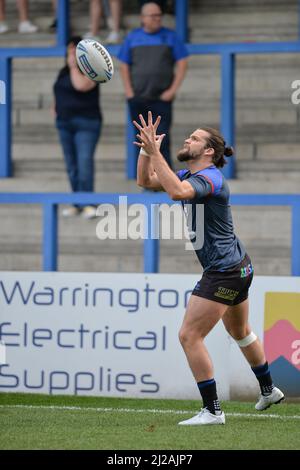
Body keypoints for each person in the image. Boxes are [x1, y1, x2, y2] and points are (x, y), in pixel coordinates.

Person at [134, 111, 285, 425]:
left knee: (189, 335)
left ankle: (213, 410)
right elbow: (146, 181)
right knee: (241, 332)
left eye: (195, 138)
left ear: (208, 152)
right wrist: (146, 152)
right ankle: (269, 389)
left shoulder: (212, 178)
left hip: (224, 271)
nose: (187, 139)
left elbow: (176, 192)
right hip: (240, 266)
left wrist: (156, 152)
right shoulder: (190, 176)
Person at [118, 1, 188, 169]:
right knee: (142, 142)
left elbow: (183, 63)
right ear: (143, 18)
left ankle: (164, 182)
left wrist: (172, 90)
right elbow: (123, 64)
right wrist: (129, 91)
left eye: (159, 15)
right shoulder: (133, 37)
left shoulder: (170, 37)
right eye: (153, 15)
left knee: (162, 141)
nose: (157, 19)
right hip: (138, 98)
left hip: (161, 99)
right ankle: (146, 181)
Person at [53, 36, 102, 219]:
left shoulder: (94, 71)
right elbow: (58, 91)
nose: (71, 55)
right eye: (69, 51)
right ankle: (77, 202)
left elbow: (80, 86)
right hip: (64, 123)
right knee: (71, 165)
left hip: (87, 123)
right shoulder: (62, 72)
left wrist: (75, 66)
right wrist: (55, 109)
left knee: (84, 162)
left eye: (76, 51)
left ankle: (88, 202)